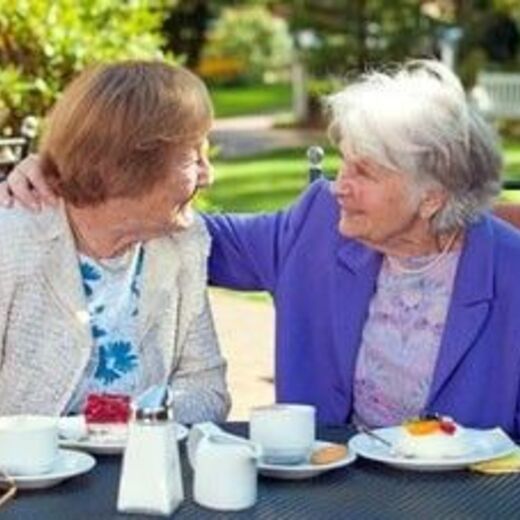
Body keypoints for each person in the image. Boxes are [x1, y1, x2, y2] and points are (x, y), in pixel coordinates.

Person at [4, 60, 520, 436]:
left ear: (431, 197)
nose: (339, 185)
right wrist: (59, 176)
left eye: (364, 171)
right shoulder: (317, 225)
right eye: (343, 162)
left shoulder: (507, 269)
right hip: (328, 488)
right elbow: (139, 219)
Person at [0, 61, 230, 423]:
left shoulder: (184, 243)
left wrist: (125, 420)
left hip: (139, 470)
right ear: (130, 165)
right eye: (192, 156)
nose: (208, 175)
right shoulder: (12, 242)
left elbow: (207, 389)